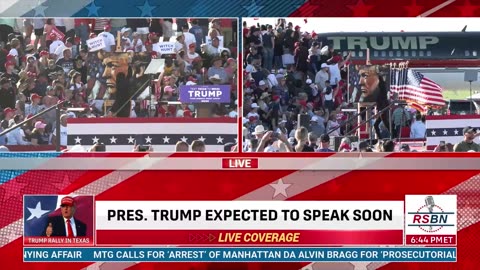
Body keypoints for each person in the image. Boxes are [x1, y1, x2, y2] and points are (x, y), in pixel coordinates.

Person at [358, 65, 390, 139]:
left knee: (386, 124)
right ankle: (382, 138)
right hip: (382, 107)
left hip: (383, 108)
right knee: (378, 125)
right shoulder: (380, 90)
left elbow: (379, 84)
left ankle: (393, 135)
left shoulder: (381, 89)